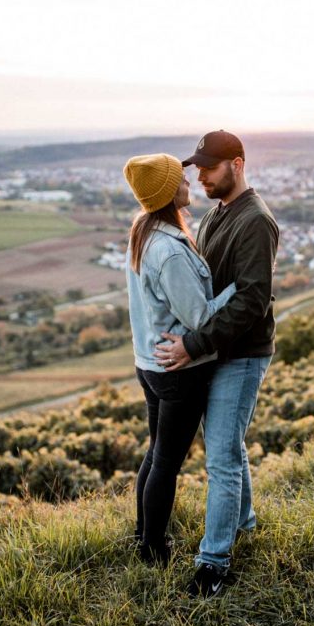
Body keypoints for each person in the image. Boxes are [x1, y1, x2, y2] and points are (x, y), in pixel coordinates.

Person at [153, 130, 279, 597]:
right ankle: (243, 523)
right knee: (227, 446)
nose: (200, 175)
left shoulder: (256, 221)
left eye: (209, 167)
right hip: (217, 350)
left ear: (238, 164)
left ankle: (214, 564)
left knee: (222, 458)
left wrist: (192, 344)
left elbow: (251, 302)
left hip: (241, 353)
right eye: (197, 167)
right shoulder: (216, 214)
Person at [123, 152, 236, 566]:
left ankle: (143, 535)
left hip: (150, 364)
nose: (190, 182)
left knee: (156, 454)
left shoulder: (143, 230)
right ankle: (153, 550)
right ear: (169, 191)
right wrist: (238, 289)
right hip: (177, 371)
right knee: (167, 462)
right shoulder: (169, 251)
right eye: (181, 178)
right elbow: (201, 317)